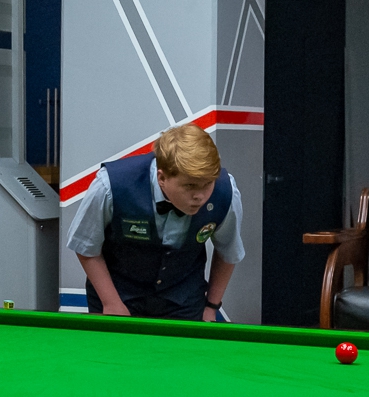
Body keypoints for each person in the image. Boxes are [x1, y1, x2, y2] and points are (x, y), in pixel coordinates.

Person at [65, 121, 243, 321]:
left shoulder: (225, 192)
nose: (200, 196)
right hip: (117, 294)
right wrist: (111, 302)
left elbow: (228, 251)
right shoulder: (109, 186)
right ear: (162, 178)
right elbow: (86, 247)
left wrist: (211, 306)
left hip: (184, 300)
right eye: (190, 186)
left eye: (207, 184)